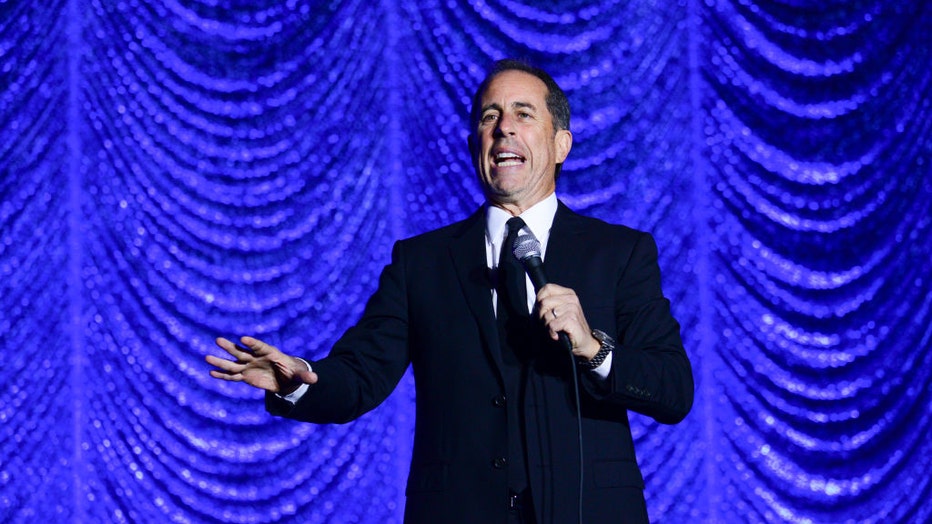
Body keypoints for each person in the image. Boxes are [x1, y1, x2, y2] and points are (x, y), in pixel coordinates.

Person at [206, 59, 694, 523]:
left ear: (561, 143)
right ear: (473, 144)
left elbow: (673, 389)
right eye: (490, 116)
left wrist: (592, 347)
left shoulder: (619, 253)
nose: (504, 127)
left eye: (524, 114)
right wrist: (299, 380)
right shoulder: (421, 262)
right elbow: (361, 374)